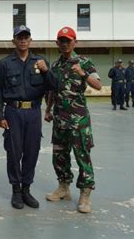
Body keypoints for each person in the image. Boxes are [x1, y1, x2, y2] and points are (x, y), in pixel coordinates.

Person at [0, 25, 57, 210]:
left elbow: (54, 85)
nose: (22, 40)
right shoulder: (5, 64)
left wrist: (46, 71)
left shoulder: (40, 61)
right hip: (13, 112)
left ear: (30, 40)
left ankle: (27, 189)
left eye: (25, 37)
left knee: (32, 151)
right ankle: (16, 191)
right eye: (19, 37)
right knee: (14, 152)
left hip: (33, 112)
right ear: (13, 40)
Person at [44, 26, 102, 214]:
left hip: (79, 121)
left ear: (74, 42)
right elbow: (52, 90)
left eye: (68, 40)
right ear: (57, 43)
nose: (65, 43)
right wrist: (48, 109)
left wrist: (83, 74)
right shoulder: (55, 66)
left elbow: (99, 85)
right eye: (62, 40)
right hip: (60, 119)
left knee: (82, 156)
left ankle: (85, 195)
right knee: (59, 155)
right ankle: (63, 188)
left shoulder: (85, 62)